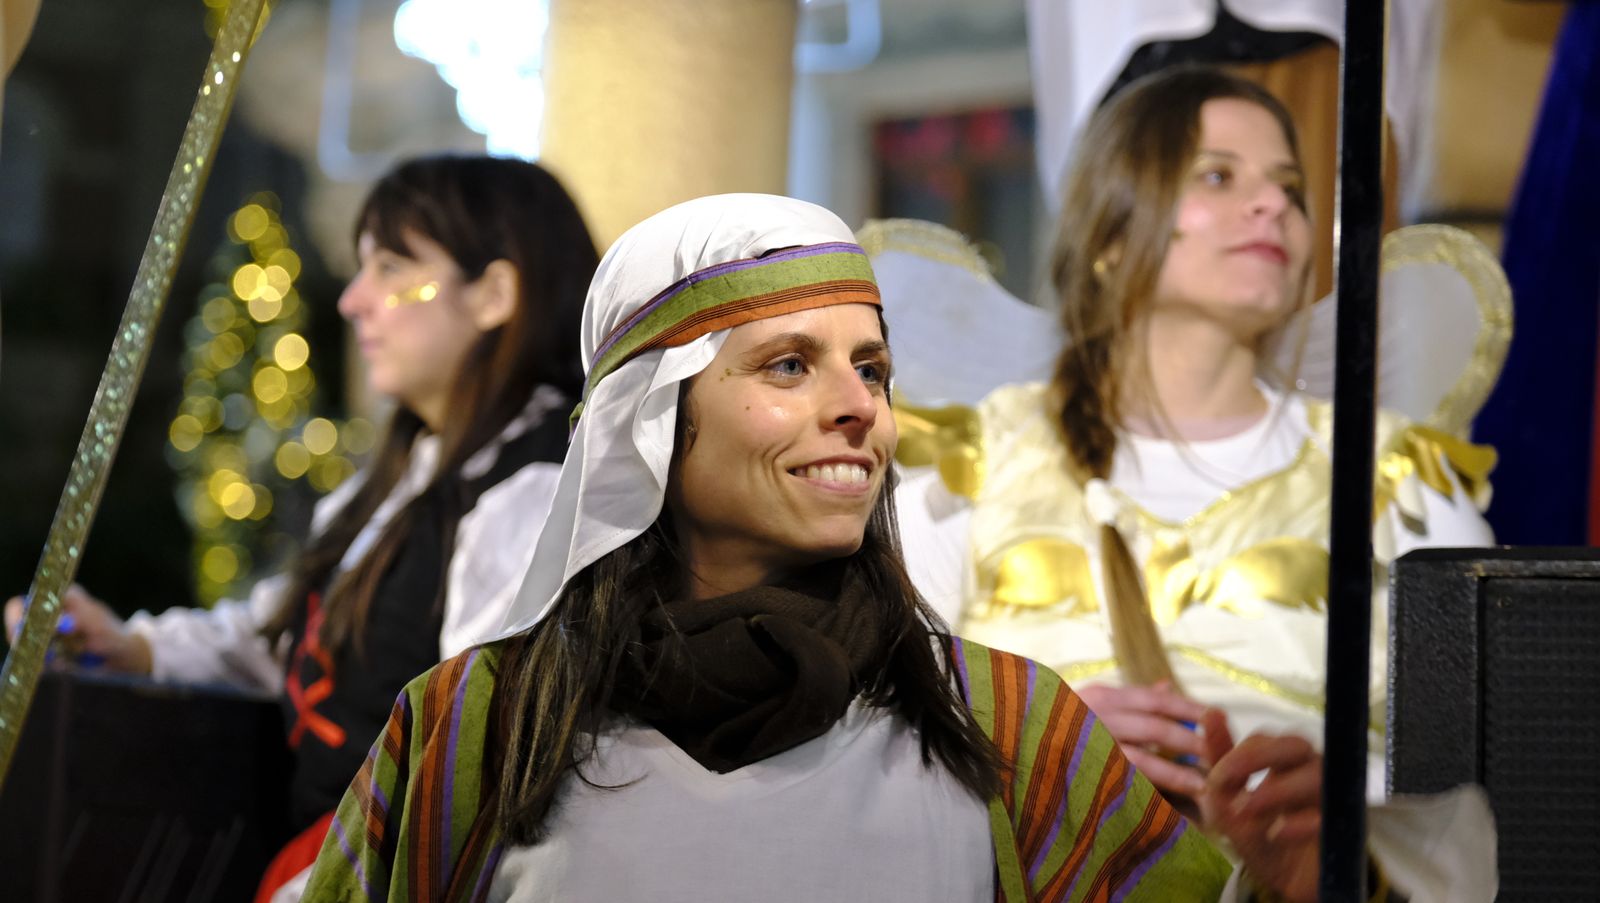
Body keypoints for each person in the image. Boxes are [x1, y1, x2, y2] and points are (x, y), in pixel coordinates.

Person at [301, 192, 1364, 903]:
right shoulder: (474, 730)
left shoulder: (1011, 727)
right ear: (650, 421)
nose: (860, 407)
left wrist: (1289, 884)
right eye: (788, 366)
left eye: (871, 367)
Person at [902, 67, 1496, 899]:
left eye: (1290, 188)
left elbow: (1493, 797)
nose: (1272, 205)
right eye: (1219, 176)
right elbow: (866, 759)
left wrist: (1344, 847)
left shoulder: (1397, 483)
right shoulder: (970, 467)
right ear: (1111, 232)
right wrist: (1037, 753)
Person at [5, 154, 600, 900]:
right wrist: (132, 647)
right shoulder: (402, 479)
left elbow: (468, 777)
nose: (353, 300)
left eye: (392, 267)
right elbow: (284, 638)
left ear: (494, 295)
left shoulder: (532, 492)